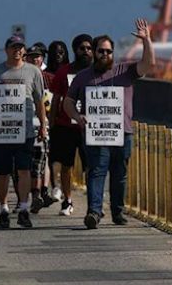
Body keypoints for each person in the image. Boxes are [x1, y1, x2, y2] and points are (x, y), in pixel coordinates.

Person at [65, 19, 155, 229]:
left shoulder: (125, 71)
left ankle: (117, 211)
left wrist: (147, 40)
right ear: (94, 53)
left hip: (122, 132)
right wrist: (78, 117)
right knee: (96, 171)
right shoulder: (82, 77)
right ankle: (94, 212)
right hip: (95, 133)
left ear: (113, 53)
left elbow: (148, 64)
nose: (105, 55)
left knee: (119, 174)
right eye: (101, 51)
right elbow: (68, 102)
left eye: (108, 51)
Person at [0, 35, 48, 229]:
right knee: (2, 172)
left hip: (25, 130)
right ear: (7, 49)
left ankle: (24, 208)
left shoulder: (33, 72)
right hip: (0, 130)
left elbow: (39, 101)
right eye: (14, 47)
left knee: (24, 170)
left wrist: (42, 125)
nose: (17, 50)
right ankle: (3, 209)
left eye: (20, 47)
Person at [49, 34, 92, 216]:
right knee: (66, 166)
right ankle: (67, 200)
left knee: (91, 167)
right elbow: (56, 99)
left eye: (89, 48)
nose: (86, 52)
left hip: (89, 128)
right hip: (65, 126)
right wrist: (50, 125)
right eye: (82, 48)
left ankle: (94, 203)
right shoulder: (63, 72)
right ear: (75, 50)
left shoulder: (97, 72)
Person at [23, 44, 55, 212]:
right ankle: (25, 198)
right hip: (22, 126)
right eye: (32, 56)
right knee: (22, 166)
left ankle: (37, 195)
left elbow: (53, 101)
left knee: (39, 163)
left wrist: (47, 123)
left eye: (38, 56)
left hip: (42, 126)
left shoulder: (48, 77)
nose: (35, 58)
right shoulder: (21, 76)